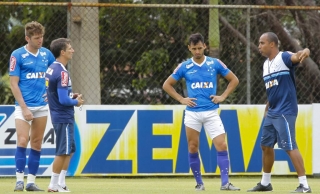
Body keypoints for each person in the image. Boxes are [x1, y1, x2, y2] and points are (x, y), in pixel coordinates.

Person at [162, 33, 240, 191]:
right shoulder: (184, 66)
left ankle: (225, 183)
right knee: (192, 146)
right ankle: (199, 183)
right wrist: (181, 99)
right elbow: (167, 85)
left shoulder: (214, 63)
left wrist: (223, 96)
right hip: (192, 113)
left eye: (200, 48)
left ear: (205, 46)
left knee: (222, 145)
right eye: (194, 48)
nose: (197, 51)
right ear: (189, 48)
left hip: (211, 112)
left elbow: (234, 80)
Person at [247, 32, 311, 193]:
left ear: (272, 44)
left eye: (262, 43)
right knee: (265, 145)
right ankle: (265, 183)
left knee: (289, 146)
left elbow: (297, 56)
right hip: (272, 111)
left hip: (285, 110)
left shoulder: (283, 58)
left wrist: (306, 50)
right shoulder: (265, 64)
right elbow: (273, 89)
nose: (259, 46)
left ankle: (304, 186)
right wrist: (267, 106)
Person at [9, 21, 55, 192]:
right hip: (23, 107)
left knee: (36, 143)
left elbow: (54, 76)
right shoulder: (17, 55)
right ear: (27, 38)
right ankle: (19, 180)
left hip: (42, 107)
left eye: (41, 37)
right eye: (36, 38)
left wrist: (50, 93)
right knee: (22, 140)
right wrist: (25, 108)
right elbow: (14, 84)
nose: (40, 40)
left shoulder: (47, 54)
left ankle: (31, 182)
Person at [45, 38, 84, 192]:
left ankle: (61, 182)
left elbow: (54, 94)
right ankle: (53, 185)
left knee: (69, 149)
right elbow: (62, 99)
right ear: (62, 52)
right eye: (70, 48)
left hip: (59, 116)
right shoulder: (62, 72)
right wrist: (77, 102)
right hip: (63, 117)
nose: (72, 50)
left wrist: (71, 95)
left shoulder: (52, 68)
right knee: (62, 151)